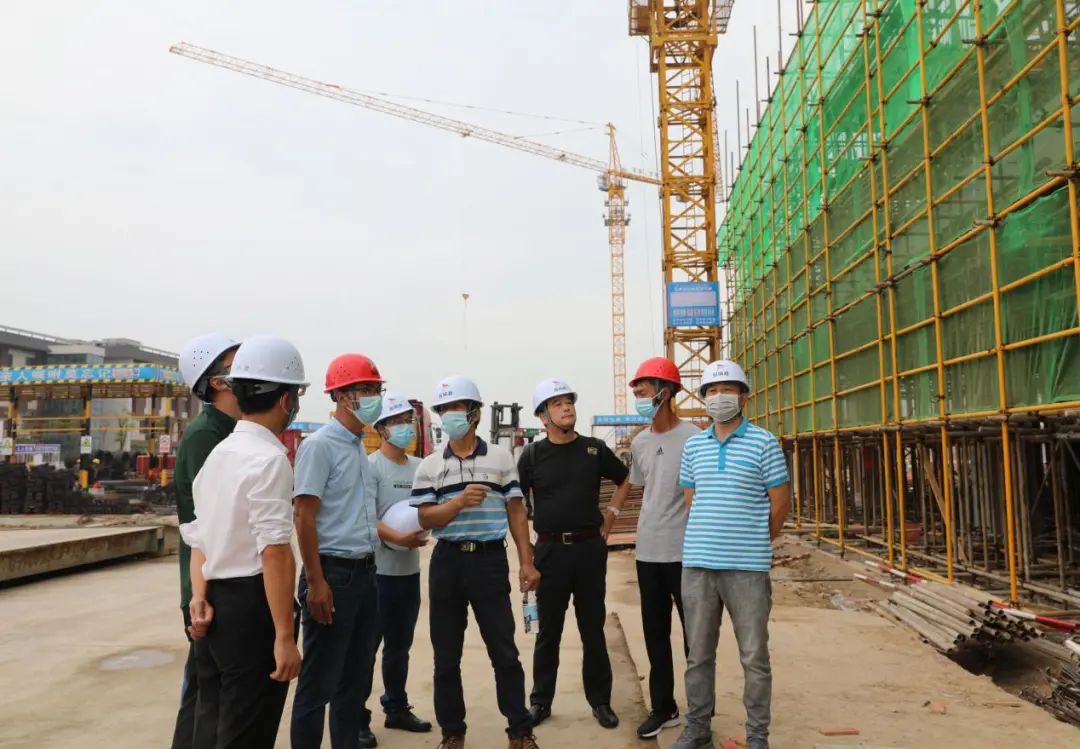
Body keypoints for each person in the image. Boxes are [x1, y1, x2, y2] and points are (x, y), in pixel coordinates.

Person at [180, 334, 308, 749]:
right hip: (253, 609)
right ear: (286, 400)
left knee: (211, 725)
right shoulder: (269, 460)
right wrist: (284, 636)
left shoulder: (219, 454)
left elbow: (200, 537)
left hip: (215, 606)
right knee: (247, 732)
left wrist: (200, 595)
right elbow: (275, 553)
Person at [410, 376, 540, 749]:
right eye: (444, 410)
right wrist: (457, 503)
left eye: (457, 408)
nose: (450, 415)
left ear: (475, 413)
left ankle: (520, 730)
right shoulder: (429, 466)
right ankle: (453, 732)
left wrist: (526, 562)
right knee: (446, 655)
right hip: (447, 562)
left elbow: (516, 512)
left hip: (489, 561)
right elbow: (425, 518)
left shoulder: (500, 459)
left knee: (504, 651)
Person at [672, 361, 791, 749]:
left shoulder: (764, 443)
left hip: (747, 570)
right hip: (698, 566)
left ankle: (757, 737)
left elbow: (780, 504)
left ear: (743, 397)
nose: (719, 397)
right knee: (698, 655)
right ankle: (697, 729)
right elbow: (692, 500)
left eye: (728, 389)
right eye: (712, 390)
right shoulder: (694, 446)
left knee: (754, 657)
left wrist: (753, 540)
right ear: (704, 398)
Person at [520, 378, 630, 730]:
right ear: (543, 416)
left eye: (569, 401)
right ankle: (540, 701)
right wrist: (525, 557)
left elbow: (624, 479)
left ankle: (600, 701)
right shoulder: (532, 456)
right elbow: (516, 505)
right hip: (550, 552)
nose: (567, 407)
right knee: (548, 632)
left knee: (592, 629)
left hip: (588, 551)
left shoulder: (594, 449)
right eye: (557, 403)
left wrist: (611, 515)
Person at [291, 354, 385, 749]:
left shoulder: (358, 447)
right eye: (367, 390)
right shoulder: (320, 447)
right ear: (343, 396)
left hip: (366, 574)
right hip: (333, 576)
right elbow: (303, 515)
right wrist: (316, 582)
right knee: (318, 685)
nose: (375, 397)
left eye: (377, 389)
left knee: (353, 682)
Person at [172, 332, 240, 749]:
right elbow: (210, 519)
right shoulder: (206, 435)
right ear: (217, 382)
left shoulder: (232, 429)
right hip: (208, 583)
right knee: (208, 699)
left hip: (217, 578)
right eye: (239, 365)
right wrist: (200, 593)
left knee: (204, 691)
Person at [627, 357, 701, 740]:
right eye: (637, 393)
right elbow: (644, 490)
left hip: (686, 554)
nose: (639, 399)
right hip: (648, 553)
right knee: (655, 634)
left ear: (665, 392)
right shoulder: (640, 442)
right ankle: (664, 707)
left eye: (644, 392)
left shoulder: (695, 438)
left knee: (695, 637)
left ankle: (700, 711)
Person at [368, 391, 433, 734]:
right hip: (377, 573)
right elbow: (367, 516)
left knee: (399, 647)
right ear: (381, 428)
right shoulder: (370, 467)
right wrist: (397, 537)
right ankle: (357, 717)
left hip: (407, 572)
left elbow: (428, 509)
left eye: (407, 421)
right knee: (366, 648)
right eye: (396, 422)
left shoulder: (420, 467)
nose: (405, 427)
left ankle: (396, 708)